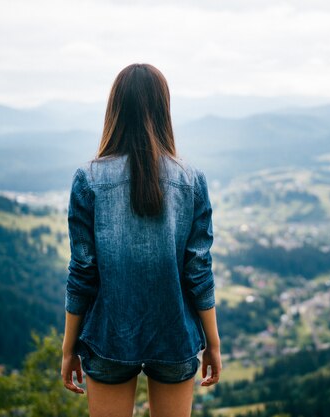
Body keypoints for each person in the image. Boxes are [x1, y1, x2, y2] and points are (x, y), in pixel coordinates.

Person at [60, 63, 222, 417]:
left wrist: (69, 348)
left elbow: (83, 271)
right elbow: (198, 271)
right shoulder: (192, 181)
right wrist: (213, 342)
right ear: (164, 110)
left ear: (115, 110)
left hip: (108, 336)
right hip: (175, 335)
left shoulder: (88, 180)